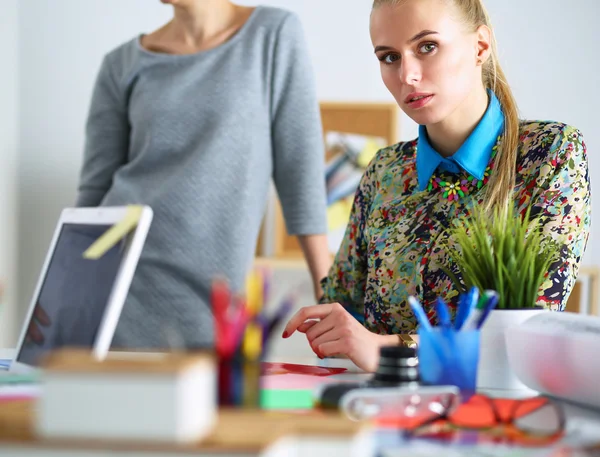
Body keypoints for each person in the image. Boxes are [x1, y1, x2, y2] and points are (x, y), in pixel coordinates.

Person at [282, 0, 591, 372]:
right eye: (389, 57)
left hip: (490, 416)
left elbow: (527, 329)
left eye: (427, 47)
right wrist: (330, 329)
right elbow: (343, 309)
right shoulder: (384, 171)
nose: (407, 75)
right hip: (374, 410)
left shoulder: (550, 154)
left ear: (480, 46)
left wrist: (390, 348)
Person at [76, 0, 330, 349]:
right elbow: (93, 196)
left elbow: (299, 165)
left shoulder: (272, 33)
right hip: (118, 285)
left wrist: (328, 288)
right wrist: (62, 300)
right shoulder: (121, 64)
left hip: (213, 297)